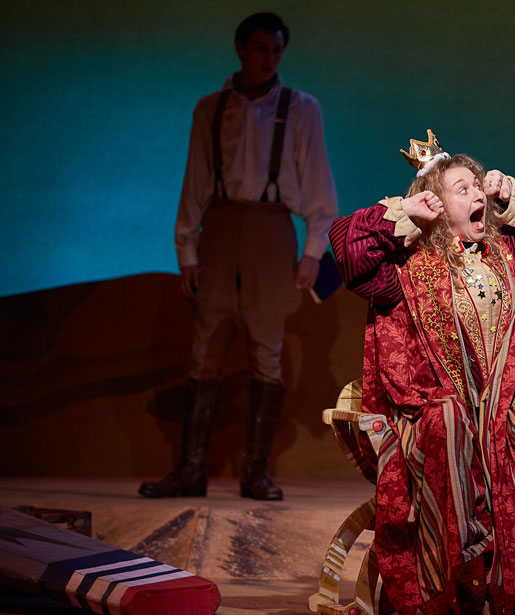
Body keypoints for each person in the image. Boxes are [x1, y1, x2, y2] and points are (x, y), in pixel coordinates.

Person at [328, 131, 515, 615]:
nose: (478, 193)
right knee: (453, 424)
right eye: (464, 188)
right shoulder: (405, 272)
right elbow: (348, 251)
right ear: (434, 203)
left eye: (479, 185)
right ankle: (456, 572)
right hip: (440, 422)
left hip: (497, 421)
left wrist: (512, 193)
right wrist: (404, 213)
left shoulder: (504, 260)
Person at [140, 12, 338, 501]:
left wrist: (314, 250)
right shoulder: (210, 108)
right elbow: (196, 182)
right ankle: (190, 470)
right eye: (260, 49)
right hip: (222, 228)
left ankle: (256, 472)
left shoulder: (301, 108)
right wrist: (187, 249)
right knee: (205, 343)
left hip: (272, 231)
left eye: (276, 51)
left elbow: (318, 186)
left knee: (266, 348)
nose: (269, 59)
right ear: (240, 49)